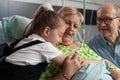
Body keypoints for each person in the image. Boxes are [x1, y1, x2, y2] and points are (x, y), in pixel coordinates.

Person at [39, 6, 120, 80]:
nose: (71, 28)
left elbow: (102, 60)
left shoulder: (82, 45)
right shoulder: (50, 48)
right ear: (57, 22)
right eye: (67, 23)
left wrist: (113, 69)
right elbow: (77, 63)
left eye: (75, 26)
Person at [0, 5, 68, 80]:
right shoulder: (45, 46)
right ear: (46, 31)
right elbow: (68, 61)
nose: (61, 41)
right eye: (60, 35)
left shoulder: (27, 39)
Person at [87, 3, 120, 68]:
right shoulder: (91, 46)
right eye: (99, 20)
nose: (102, 24)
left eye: (107, 19)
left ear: (119, 21)